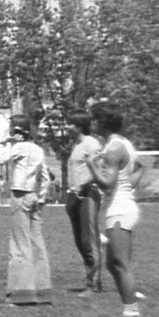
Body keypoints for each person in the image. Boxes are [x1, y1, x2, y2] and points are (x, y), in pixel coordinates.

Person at [84, 100, 148, 317]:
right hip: (122, 205)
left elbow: (108, 184)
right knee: (113, 263)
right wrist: (128, 187)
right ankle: (130, 315)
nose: (92, 123)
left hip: (119, 209)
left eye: (94, 119)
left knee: (120, 264)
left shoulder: (112, 149)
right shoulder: (122, 144)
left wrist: (91, 165)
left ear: (102, 122)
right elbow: (140, 166)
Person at [3, 114, 54, 305]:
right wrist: (40, 198)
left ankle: (21, 293)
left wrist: (5, 143)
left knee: (19, 244)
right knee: (36, 244)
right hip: (33, 195)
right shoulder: (38, 150)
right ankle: (42, 290)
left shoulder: (18, 147)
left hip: (19, 194)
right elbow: (46, 176)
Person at [63, 112, 106, 294]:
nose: (66, 127)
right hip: (74, 195)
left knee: (89, 241)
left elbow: (98, 171)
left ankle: (93, 284)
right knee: (80, 241)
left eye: (70, 124)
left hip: (88, 194)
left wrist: (83, 185)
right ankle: (90, 277)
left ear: (79, 126)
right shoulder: (77, 145)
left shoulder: (92, 144)